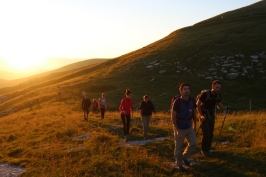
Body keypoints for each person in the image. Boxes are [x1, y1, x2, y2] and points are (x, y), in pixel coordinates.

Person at [196, 80, 227, 157]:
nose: (218, 89)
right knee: (206, 133)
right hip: (204, 116)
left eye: (219, 88)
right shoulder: (205, 94)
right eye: (216, 87)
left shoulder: (218, 96)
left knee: (211, 133)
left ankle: (208, 149)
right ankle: (204, 150)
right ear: (212, 86)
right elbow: (198, 104)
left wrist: (225, 108)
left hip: (211, 116)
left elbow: (219, 105)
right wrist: (201, 115)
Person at [171, 83, 197, 172]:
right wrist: (177, 130)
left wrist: (195, 126)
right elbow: (173, 116)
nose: (187, 90)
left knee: (193, 143)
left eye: (188, 89)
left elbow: (194, 114)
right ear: (181, 91)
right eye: (184, 89)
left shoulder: (192, 100)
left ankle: (185, 157)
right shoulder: (177, 101)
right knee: (178, 146)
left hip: (189, 126)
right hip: (179, 127)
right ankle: (179, 164)